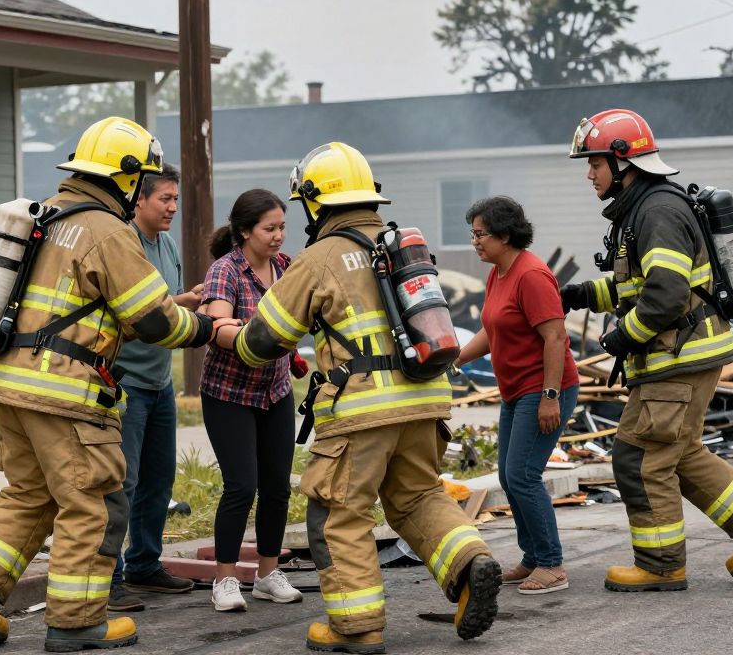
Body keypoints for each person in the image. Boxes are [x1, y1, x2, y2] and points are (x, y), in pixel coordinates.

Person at [0, 118, 228, 651]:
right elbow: (154, 319)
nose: (143, 190)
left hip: (10, 382)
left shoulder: (48, 215)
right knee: (92, 502)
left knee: (28, 493)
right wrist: (210, 329)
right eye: (141, 180)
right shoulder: (107, 231)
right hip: (66, 393)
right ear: (124, 178)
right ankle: (76, 622)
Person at [214, 143, 501, 653]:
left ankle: (357, 626)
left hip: (363, 409)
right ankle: (469, 560)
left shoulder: (319, 257)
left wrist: (223, 331)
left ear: (315, 202)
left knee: (338, 514)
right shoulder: (400, 242)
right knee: (417, 497)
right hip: (427, 399)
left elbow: (262, 343)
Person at [564, 108, 733, 592]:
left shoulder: (657, 212)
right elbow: (641, 287)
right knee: (679, 452)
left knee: (636, 457)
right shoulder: (644, 209)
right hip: (686, 356)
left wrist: (622, 337)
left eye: (595, 163)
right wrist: (582, 294)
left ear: (623, 162)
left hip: (677, 359)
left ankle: (661, 564)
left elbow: (664, 297)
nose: (589, 174)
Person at [454, 196, 579, 595]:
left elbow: (555, 337)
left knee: (523, 475)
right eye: (472, 234)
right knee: (510, 476)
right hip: (514, 390)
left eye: (480, 234)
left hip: (542, 389)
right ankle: (532, 556)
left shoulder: (531, 275)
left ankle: (552, 564)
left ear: (505, 235)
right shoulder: (499, 273)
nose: (475, 242)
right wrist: (453, 359)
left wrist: (549, 397)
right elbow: (493, 331)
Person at [199, 188, 303, 612]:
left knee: (278, 487)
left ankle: (267, 574)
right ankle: (224, 580)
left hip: (275, 390)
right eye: (269, 228)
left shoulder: (286, 266)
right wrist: (251, 332)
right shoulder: (225, 270)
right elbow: (216, 323)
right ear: (244, 231)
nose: (278, 236)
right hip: (229, 393)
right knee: (242, 485)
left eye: (282, 227)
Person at [106, 164, 204, 612]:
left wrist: (182, 302)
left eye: (175, 199)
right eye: (164, 198)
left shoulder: (166, 244)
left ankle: (145, 563)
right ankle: (108, 578)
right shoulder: (125, 244)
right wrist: (179, 307)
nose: (172, 207)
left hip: (161, 382)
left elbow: (167, 305)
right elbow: (134, 315)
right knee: (121, 483)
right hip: (125, 381)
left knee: (158, 481)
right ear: (139, 199)